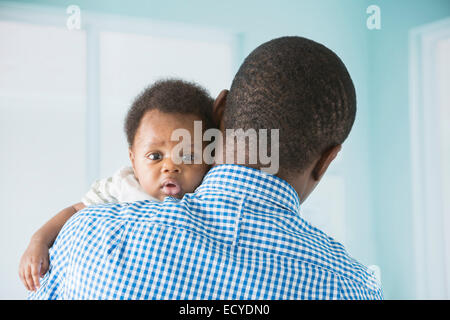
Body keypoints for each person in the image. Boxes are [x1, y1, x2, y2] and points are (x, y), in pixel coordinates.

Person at [29, 36, 383, 299]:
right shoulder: (354, 288)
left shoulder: (85, 238)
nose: (170, 167)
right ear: (327, 160)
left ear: (220, 113)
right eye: (155, 156)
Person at [19, 79, 215, 292]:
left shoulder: (208, 190)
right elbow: (75, 210)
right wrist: (38, 242)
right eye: (155, 156)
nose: (170, 166)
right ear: (133, 160)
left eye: (187, 155)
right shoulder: (123, 185)